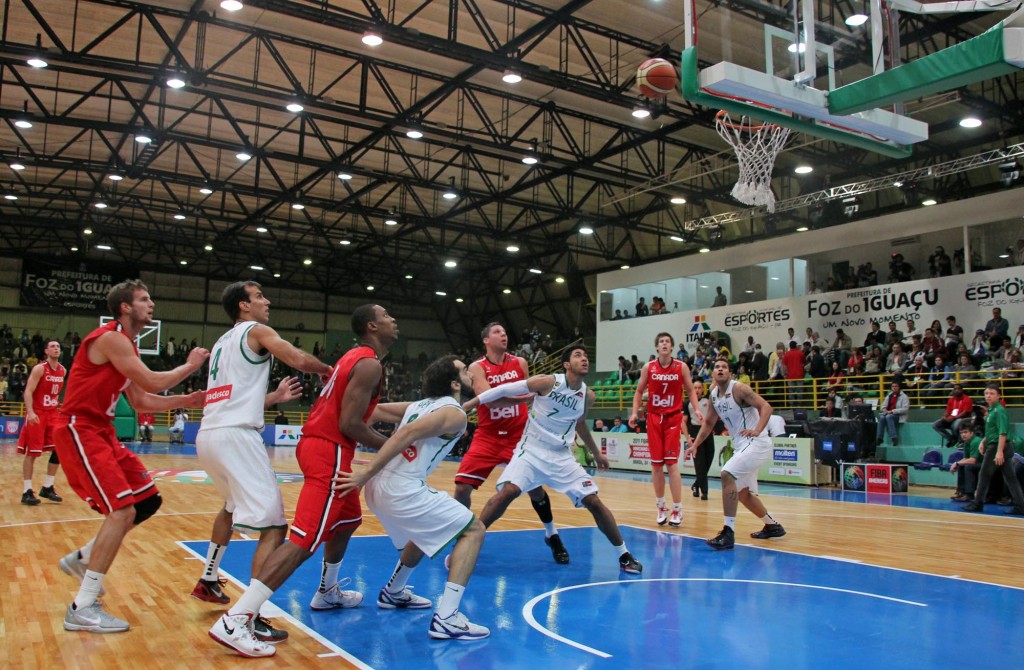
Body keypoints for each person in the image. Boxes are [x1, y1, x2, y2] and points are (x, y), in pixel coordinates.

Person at [209, 304, 399, 658]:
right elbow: (351, 424)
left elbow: (361, 413)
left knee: (347, 521)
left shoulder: (353, 358)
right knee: (302, 540)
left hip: (319, 445)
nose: (394, 320)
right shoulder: (369, 363)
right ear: (372, 325)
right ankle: (236, 618)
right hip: (330, 449)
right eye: (387, 316)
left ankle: (328, 591)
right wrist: (396, 447)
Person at [54, 280, 208, 634]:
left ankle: (83, 559)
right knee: (121, 510)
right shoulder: (110, 339)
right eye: (143, 299)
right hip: (80, 429)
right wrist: (189, 365)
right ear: (125, 307)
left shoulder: (126, 348)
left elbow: (141, 402)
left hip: (102, 431)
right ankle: (82, 605)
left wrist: (185, 401)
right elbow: (153, 384)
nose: (151, 304)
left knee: (147, 501)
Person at [190, 281, 332, 643]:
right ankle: (248, 617)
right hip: (237, 437)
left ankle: (208, 577)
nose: (266, 301)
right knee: (274, 527)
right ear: (243, 306)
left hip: (209, 436)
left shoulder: (225, 341)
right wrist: (328, 370)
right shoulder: (258, 330)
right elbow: (297, 358)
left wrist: (275, 396)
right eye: (259, 297)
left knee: (229, 505)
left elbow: (233, 398)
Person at [334, 356, 489, 640]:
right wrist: (364, 472)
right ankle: (448, 617)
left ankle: (393, 592)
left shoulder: (418, 406)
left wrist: (338, 389)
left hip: (382, 489)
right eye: (465, 371)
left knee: (422, 532)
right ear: (454, 383)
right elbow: (407, 433)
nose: (470, 373)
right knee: (474, 530)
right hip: (399, 487)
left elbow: (375, 410)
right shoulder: (454, 413)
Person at [468, 345, 643, 574]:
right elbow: (504, 389)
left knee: (594, 501)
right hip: (530, 451)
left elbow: (579, 423)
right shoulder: (547, 382)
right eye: (578, 355)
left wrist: (595, 453)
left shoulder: (588, 396)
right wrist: (470, 404)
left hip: (561, 457)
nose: (584, 359)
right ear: (566, 364)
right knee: (508, 492)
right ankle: (469, 543)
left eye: (586, 355)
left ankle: (624, 554)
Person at [453, 323, 567, 563]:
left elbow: (532, 393)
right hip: (489, 435)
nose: (503, 334)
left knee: (535, 489)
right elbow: (490, 401)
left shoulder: (520, 363)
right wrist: (525, 397)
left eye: (505, 331)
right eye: (497, 332)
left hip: (519, 435)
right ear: (486, 340)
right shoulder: (477, 367)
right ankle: (463, 532)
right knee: (462, 487)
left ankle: (552, 534)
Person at [686, 359, 785, 550]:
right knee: (743, 493)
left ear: (729, 373)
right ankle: (772, 526)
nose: (720, 369)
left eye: (724, 367)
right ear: (713, 374)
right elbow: (708, 423)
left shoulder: (740, 389)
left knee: (727, 474)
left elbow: (766, 407)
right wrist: (695, 444)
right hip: (743, 446)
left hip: (757, 442)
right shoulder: (714, 395)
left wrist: (757, 429)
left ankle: (728, 532)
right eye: (717, 367)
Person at [629, 332, 702, 527]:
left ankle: (677, 508)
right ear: (656, 347)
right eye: (661, 341)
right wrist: (635, 413)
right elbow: (638, 391)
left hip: (672, 417)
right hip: (653, 418)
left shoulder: (681, 367)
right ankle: (661, 506)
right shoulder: (648, 368)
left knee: (671, 465)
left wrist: (696, 409)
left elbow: (690, 390)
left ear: (671, 348)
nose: (664, 344)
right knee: (656, 465)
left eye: (667, 342)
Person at [962, 384, 1024, 515]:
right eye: (986, 393)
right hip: (996, 445)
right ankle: (1020, 506)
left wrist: (999, 451)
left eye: (991, 393)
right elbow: (993, 431)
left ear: (998, 396)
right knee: (1010, 478)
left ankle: (977, 503)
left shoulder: (999, 411)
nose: (988, 396)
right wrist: (984, 441)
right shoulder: (990, 411)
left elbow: (1002, 433)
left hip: (997, 446)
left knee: (984, 475)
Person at [17, 340, 66, 505]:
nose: (56, 348)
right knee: (32, 452)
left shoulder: (62, 370)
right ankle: (26, 490)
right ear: (46, 351)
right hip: (37, 413)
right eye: (52, 346)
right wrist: (30, 411)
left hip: (52, 413)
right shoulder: (40, 368)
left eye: (58, 346)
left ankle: (48, 486)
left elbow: (56, 395)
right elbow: (28, 391)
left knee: (60, 448)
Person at [687, 380, 714, 500]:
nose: (697, 390)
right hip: (695, 431)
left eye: (699, 388)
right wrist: (687, 436)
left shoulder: (707, 399)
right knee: (700, 463)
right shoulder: (687, 403)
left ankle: (696, 484)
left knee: (708, 460)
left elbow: (714, 384)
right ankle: (704, 491)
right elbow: (683, 421)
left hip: (707, 432)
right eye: (695, 388)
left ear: (702, 389)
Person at [950, 424, 983, 502]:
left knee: (968, 466)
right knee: (962, 465)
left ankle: (969, 494)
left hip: (986, 464)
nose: (963, 435)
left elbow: (973, 460)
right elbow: (966, 458)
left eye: (965, 432)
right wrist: (957, 463)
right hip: (978, 463)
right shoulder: (966, 442)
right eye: (961, 433)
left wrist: (957, 463)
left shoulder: (975, 441)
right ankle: (961, 492)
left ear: (972, 433)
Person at [876, 381, 910, 446]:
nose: (894, 388)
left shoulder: (904, 397)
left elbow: (905, 409)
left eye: (896, 386)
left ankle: (894, 437)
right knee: (882, 417)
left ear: (899, 387)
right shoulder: (889, 395)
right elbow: (883, 405)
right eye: (893, 386)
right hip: (888, 413)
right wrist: (884, 409)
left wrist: (892, 411)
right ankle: (880, 438)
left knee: (889, 416)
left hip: (899, 415)